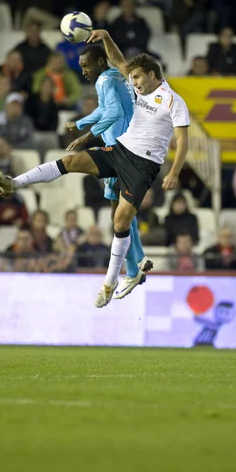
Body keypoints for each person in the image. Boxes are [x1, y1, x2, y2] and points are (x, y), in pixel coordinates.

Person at [0, 29, 190, 307]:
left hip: (143, 166)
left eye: (137, 78)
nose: (133, 82)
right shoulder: (137, 84)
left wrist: (174, 172)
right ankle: (14, 183)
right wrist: (107, 37)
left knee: (120, 221)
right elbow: (119, 61)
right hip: (121, 150)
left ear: (153, 74)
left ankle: (111, 283)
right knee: (72, 161)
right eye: (132, 78)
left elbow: (183, 141)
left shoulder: (173, 101)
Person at [63, 42, 155, 290]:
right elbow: (105, 109)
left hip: (118, 153)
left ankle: (136, 266)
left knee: (121, 215)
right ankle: (136, 266)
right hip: (131, 151)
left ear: (101, 62)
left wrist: (86, 137)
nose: (83, 70)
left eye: (86, 65)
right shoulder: (118, 78)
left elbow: (111, 113)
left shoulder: (105, 80)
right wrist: (81, 122)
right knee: (123, 212)